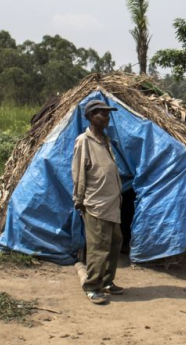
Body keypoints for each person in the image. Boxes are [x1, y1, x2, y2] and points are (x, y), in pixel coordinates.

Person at [72, 100, 124, 305]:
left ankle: (107, 281)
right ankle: (92, 286)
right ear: (92, 116)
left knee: (114, 243)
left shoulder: (104, 140)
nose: (107, 117)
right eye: (103, 114)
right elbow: (79, 173)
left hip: (111, 203)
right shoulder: (84, 141)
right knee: (98, 247)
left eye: (108, 114)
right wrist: (79, 199)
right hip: (96, 203)